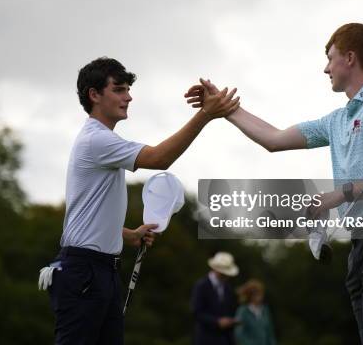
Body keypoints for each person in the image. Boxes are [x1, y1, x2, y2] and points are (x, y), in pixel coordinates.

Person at [185, 23, 363, 344]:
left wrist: (340, 194)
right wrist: (226, 109)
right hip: (362, 243)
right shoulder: (336, 120)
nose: (326, 68)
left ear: (349, 58)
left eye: (330, 58)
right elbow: (274, 139)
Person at [44, 57, 240, 345]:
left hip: (99, 270)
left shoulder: (102, 141)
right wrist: (206, 114)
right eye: (120, 90)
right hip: (84, 271)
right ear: (94, 95)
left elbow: (85, 219)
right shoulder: (96, 140)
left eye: (127, 90)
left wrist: (128, 235)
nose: (129, 96)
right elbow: (160, 158)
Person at [191, 251, 240, 345]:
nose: (226, 275)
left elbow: (230, 310)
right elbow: (196, 312)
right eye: (223, 273)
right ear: (215, 269)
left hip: (225, 340)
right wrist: (217, 322)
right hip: (206, 339)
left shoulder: (228, 288)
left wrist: (231, 321)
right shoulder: (201, 286)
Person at [234, 279, 277, 345]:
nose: (260, 296)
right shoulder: (242, 311)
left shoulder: (265, 310)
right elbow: (239, 334)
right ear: (250, 295)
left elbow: (270, 333)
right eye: (257, 294)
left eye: (261, 293)